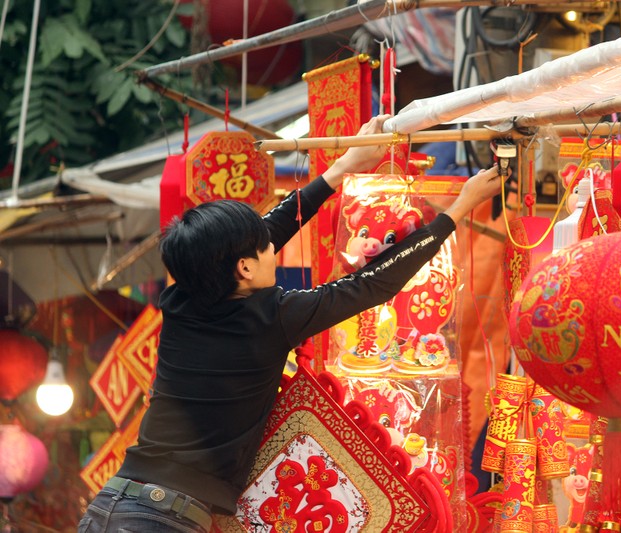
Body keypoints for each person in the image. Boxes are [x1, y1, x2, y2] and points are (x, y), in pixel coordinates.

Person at [78, 114, 503, 532]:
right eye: (266, 250)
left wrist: (342, 167)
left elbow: (269, 229)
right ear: (244, 267)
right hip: (161, 520)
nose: (275, 250)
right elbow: (371, 285)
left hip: (112, 504)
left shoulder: (183, 298)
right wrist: (458, 209)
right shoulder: (270, 318)